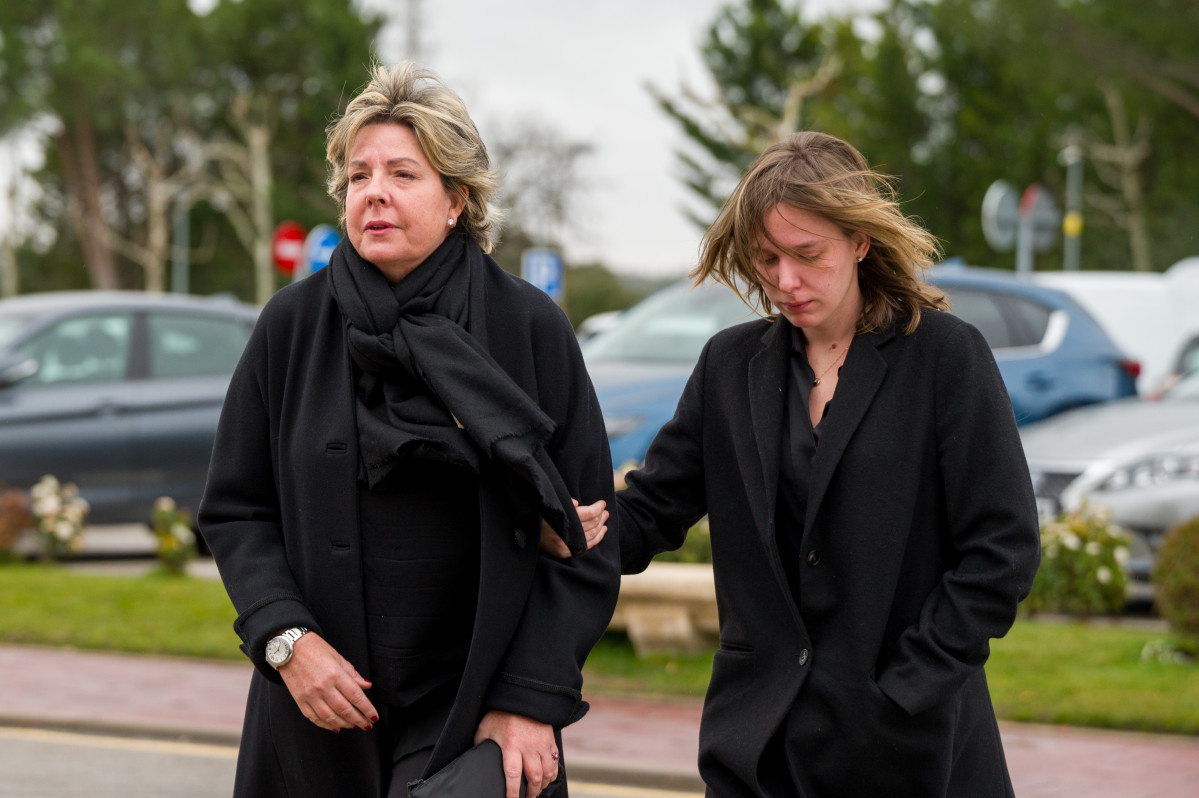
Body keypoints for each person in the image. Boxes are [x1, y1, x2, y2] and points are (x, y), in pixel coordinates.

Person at [560, 131, 1040, 797]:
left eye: (807, 255)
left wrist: (907, 687)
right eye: (765, 259)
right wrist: (567, 525)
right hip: (758, 749)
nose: (784, 282)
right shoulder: (728, 367)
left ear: (859, 242)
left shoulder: (944, 358)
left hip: (912, 752)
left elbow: (1002, 551)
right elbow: (653, 509)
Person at [198, 61, 618, 798]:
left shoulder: (529, 329)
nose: (375, 194)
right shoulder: (290, 327)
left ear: (457, 199)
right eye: (358, 177)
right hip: (318, 711)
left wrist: (526, 699)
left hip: (475, 707)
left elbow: (585, 540)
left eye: (402, 173)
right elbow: (237, 511)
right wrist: (286, 641)